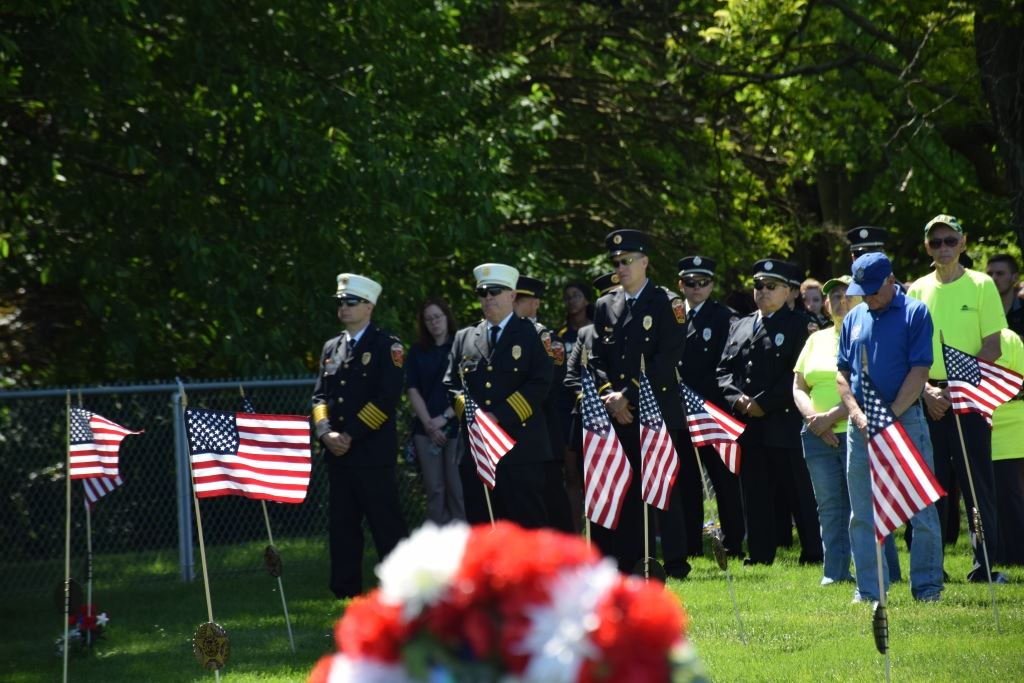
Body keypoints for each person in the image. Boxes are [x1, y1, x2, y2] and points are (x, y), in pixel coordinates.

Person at [837, 252, 944, 603]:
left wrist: (890, 415)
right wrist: (857, 415)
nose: (867, 296)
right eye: (861, 289)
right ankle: (869, 590)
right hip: (862, 425)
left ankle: (927, 588)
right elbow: (842, 373)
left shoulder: (915, 312)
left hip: (905, 421)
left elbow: (919, 371)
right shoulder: (853, 317)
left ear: (890, 280)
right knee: (861, 512)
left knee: (921, 508)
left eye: (872, 289)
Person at [907, 214, 1009, 583]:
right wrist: (929, 391)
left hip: (968, 394)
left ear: (964, 243)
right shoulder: (916, 289)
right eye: (937, 242)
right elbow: (908, 349)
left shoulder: (982, 285)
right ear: (927, 248)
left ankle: (984, 564)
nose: (944, 248)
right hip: (925, 393)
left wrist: (954, 389)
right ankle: (931, 566)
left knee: (977, 484)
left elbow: (993, 346)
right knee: (929, 484)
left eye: (951, 240)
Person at [587, 230, 690, 578]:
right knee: (627, 487)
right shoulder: (606, 305)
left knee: (663, 487)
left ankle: (675, 562)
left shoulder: (668, 303)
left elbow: (667, 357)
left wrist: (626, 395)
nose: (621, 267)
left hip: (655, 410)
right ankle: (632, 559)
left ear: (645, 262)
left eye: (627, 260)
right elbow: (596, 357)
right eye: (616, 262)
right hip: (619, 413)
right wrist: (609, 395)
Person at [793, 275, 901, 585]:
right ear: (825, 305)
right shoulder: (816, 339)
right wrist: (815, 418)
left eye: (847, 294)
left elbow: (871, 385)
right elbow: (798, 384)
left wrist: (830, 417)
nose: (840, 300)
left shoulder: (869, 331)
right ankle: (835, 574)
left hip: (857, 429)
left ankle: (885, 572)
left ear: (860, 299)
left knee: (865, 505)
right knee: (829, 506)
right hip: (815, 434)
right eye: (834, 296)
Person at [312, 273, 409, 599]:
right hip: (338, 453)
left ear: (368, 306)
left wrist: (349, 434)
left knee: (386, 524)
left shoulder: (386, 346)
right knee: (342, 526)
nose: (344, 307)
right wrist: (326, 433)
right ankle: (344, 590)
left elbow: (387, 398)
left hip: (371, 452)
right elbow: (319, 398)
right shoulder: (331, 347)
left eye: (350, 301)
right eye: (340, 301)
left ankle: (403, 589)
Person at [717, 258, 819, 566]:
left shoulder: (800, 325)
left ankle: (814, 551)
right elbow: (723, 371)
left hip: (784, 422)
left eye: (770, 286)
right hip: (749, 424)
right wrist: (738, 399)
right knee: (755, 493)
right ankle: (760, 554)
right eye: (758, 285)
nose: (762, 291)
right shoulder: (741, 324)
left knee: (799, 492)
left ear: (788, 292)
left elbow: (798, 374)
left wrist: (763, 402)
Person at [444, 263, 553, 528]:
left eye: (495, 290)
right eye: (483, 292)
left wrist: (498, 416)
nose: (488, 297)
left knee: (526, 525)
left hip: (521, 447)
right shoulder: (465, 337)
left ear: (512, 295)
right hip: (478, 448)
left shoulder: (534, 334)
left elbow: (540, 383)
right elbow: (451, 384)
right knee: (481, 523)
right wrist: (476, 417)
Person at [675, 255, 743, 557]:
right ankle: (690, 545)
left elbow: (727, 365)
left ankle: (732, 543)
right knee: (688, 482)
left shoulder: (725, 317)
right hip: (680, 411)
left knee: (724, 480)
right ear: (681, 284)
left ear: (712, 285)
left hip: (712, 411)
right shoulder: (673, 316)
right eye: (691, 282)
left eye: (703, 282)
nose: (697, 288)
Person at [515, 275, 574, 532]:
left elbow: (549, 386)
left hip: (544, 435)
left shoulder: (549, 340)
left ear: (535, 304)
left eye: (519, 299)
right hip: (511, 434)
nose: (512, 303)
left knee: (551, 501)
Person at [563, 272, 620, 533]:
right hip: (590, 419)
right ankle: (594, 540)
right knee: (590, 483)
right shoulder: (587, 333)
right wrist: (596, 403)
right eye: (607, 295)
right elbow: (572, 376)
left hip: (626, 416)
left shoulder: (639, 328)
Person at [406, 298, 464, 525]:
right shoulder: (417, 351)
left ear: (447, 317)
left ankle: (463, 544)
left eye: (437, 316)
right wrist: (429, 424)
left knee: (456, 488)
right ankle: (438, 546)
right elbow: (412, 389)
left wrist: (445, 417)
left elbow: (467, 388)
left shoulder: (461, 346)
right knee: (435, 490)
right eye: (428, 319)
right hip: (425, 430)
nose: (433, 322)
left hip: (455, 426)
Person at [990, 328, 1024, 565]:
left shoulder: (1009, 338)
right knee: (988, 498)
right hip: (979, 422)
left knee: (1011, 495)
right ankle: (995, 554)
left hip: (1012, 425)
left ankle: (1016, 555)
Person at [986, 254, 1024, 337]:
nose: (993, 278)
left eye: (1000, 274)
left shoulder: (1021, 307)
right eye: (989, 274)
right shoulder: (980, 307)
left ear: (1015, 277)